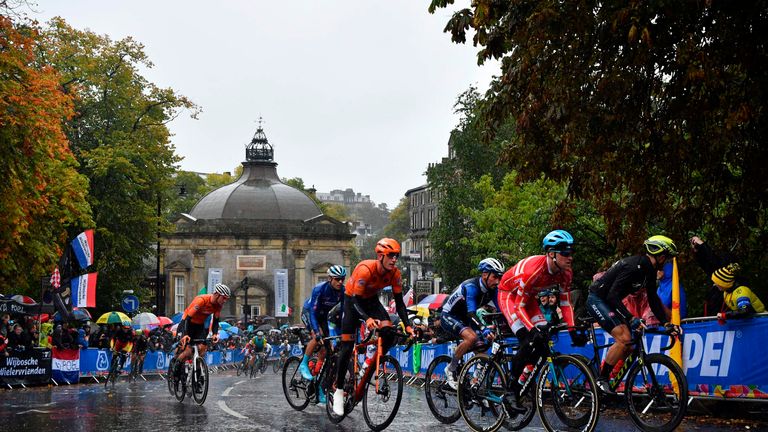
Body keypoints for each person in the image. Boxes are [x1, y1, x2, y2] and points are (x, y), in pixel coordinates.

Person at [498, 229, 585, 412]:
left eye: (571, 252)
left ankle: (523, 382)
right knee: (528, 339)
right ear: (551, 254)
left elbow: (565, 303)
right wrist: (531, 330)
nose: (570, 257)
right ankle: (510, 391)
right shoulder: (533, 271)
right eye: (565, 253)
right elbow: (518, 306)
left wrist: (572, 329)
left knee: (543, 340)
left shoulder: (565, 273)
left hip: (528, 299)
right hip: (510, 296)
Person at [586, 235, 682, 394]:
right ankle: (601, 379)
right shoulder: (633, 266)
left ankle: (611, 378)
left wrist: (666, 323)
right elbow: (611, 296)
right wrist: (631, 318)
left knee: (629, 345)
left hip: (611, 300)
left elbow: (653, 299)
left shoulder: (649, 271)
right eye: (666, 258)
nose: (666, 262)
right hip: (597, 299)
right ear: (660, 256)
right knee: (624, 338)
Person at [332, 238, 415, 416]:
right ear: (380, 256)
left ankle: (369, 367)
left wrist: (408, 327)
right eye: (390, 256)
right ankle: (339, 390)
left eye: (396, 256)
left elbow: (400, 304)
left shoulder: (395, 274)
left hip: (371, 301)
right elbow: (355, 300)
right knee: (347, 345)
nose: (394, 259)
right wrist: (367, 319)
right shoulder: (365, 269)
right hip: (352, 301)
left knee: (389, 332)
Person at [440, 257, 505, 389]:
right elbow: (471, 313)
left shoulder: (493, 290)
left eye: (500, 277)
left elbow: (501, 310)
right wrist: (483, 328)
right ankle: (450, 369)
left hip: (465, 318)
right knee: (472, 337)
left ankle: (475, 381)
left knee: (484, 345)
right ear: (485, 274)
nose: (498, 281)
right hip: (449, 315)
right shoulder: (471, 287)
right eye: (495, 277)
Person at [299, 264, 347, 391]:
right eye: (337, 279)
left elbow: (342, 314)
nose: (340, 282)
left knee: (327, 350)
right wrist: (316, 331)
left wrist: (343, 333)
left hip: (324, 316)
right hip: (310, 312)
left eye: (342, 278)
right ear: (330, 279)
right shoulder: (319, 289)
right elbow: (313, 313)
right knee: (317, 336)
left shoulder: (343, 291)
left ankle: (318, 383)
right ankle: (304, 363)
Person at [173, 283, 231, 379]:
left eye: (226, 299)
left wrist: (215, 334)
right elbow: (187, 318)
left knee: (203, 349)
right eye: (224, 298)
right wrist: (185, 334)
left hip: (199, 326)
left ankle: (198, 376)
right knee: (187, 351)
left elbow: (216, 320)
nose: (225, 301)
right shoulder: (201, 300)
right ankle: (175, 370)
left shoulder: (218, 306)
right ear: (216, 294)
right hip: (187, 323)